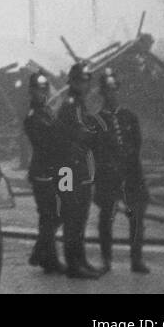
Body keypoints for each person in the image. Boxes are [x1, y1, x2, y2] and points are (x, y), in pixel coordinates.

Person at [94, 67, 150, 274]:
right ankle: (106, 260)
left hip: (131, 173)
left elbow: (137, 143)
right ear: (102, 93)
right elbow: (96, 150)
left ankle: (137, 260)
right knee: (106, 218)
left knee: (136, 217)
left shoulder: (129, 116)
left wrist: (129, 163)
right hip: (108, 176)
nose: (112, 93)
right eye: (108, 90)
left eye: (115, 88)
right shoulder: (97, 120)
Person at [55, 61, 101, 279]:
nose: (85, 84)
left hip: (79, 167)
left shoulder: (79, 104)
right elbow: (73, 135)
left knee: (80, 217)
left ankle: (80, 260)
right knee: (73, 217)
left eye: (86, 81)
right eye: (81, 80)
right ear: (73, 82)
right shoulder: (70, 105)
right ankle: (74, 265)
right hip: (69, 169)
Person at [22, 70, 64, 273]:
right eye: (39, 89)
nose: (44, 92)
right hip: (42, 172)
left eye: (45, 88)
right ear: (31, 92)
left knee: (54, 215)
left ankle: (47, 258)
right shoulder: (33, 116)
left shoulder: (47, 112)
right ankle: (42, 255)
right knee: (50, 215)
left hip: (53, 170)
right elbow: (47, 140)